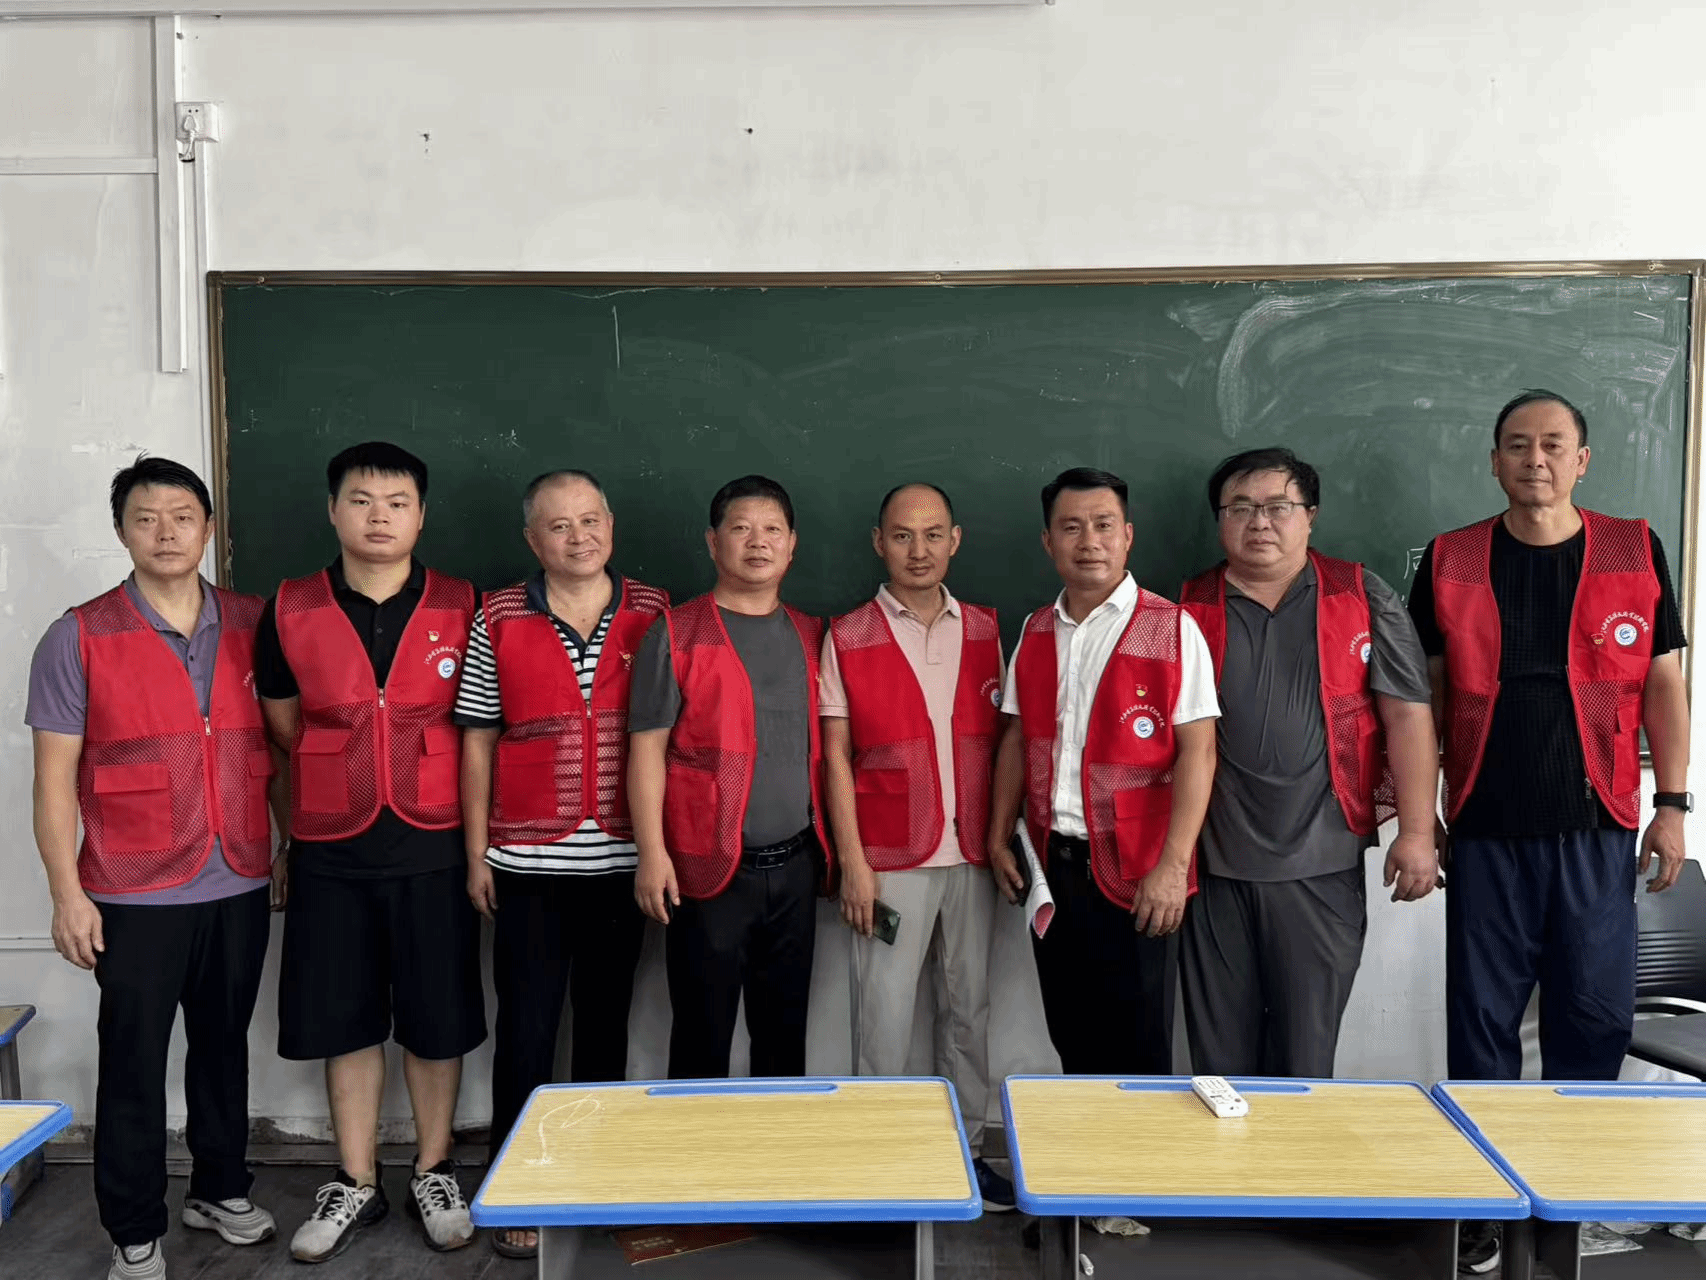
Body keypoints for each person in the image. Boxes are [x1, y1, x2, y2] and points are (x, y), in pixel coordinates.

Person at [1408, 390, 1690, 1276]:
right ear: (1494, 460)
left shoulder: (1633, 547)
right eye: (1518, 445)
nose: (1536, 459)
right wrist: (1421, 816)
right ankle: (1487, 1212)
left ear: (1582, 459)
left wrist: (1672, 804)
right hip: (1485, 827)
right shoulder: (1451, 557)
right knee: (1481, 1027)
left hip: (1596, 825)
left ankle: (1578, 1198)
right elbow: (1421, 698)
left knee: (1592, 1018)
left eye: (1554, 445)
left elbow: (1665, 683)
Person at [28, 456, 278, 1280]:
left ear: (208, 528)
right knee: (133, 1062)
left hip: (239, 875)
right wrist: (66, 894)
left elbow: (283, 743)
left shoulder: (253, 622)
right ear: (121, 531)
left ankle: (220, 1187)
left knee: (224, 1048)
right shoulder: (79, 635)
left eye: (182, 516)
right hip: (131, 889)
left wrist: (283, 846)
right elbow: (54, 781)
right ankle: (133, 1228)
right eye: (146, 518)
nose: (166, 533)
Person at [257, 442, 485, 1263]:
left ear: (422, 515)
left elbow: (482, 728)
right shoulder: (289, 607)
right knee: (343, 1016)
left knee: (435, 1016)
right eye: (361, 500)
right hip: (331, 846)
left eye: (397, 502)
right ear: (333, 510)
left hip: (436, 841)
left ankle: (433, 1168)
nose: (379, 516)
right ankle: (354, 1179)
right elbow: (281, 729)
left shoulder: (466, 604)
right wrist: (292, 835)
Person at [454, 469, 667, 1260]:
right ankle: (517, 1185)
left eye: (590, 521)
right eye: (558, 525)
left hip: (622, 861)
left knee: (606, 1030)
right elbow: (478, 738)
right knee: (527, 1032)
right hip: (528, 860)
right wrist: (477, 852)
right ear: (532, 540)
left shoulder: (656, 612)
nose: (578, 537)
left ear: (611, 526)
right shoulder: (498, 616)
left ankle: (599, 1177)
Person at [1177, 447, 1439, 1080]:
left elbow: (1408, 717)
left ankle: (1297, 1150)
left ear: (1310, 515)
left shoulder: (1361, 594)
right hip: (1213, 868)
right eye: (1241, 508)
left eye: (1278, 506)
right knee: (1219, 1061)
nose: (1260, 522)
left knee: (1305, 1056)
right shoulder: (1186, 606)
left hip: (1321, 863)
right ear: (1219, 519)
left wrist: (1418, 833)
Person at [820, 482, 1014, 1211]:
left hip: (973, 857)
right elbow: (835, 757)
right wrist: (853, 863)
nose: (919, 550)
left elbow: (1009, 742)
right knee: (884, 1016)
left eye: (933, 535)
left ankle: (966, 1154)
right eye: (902, 535)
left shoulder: (989, 629)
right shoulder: (848, 634)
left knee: (970, 1012)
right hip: (888, 861)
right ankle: (881, 1161)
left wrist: (1002, 838)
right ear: (879, 543)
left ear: (955, 541)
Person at [987, 467, 1220, 1075]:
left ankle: (1137, 1147)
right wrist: (998, 833)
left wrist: (1173, 868)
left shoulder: (1172, 627)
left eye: (1103, 525)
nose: (1088, 540)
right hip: (1054, 868)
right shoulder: (1037, 629)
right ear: (1048, 542)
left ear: (1128, 535)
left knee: (1138, 1051)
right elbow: (1016, 738)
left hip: (1140, 873)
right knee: (1073, 1037)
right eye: (1071, 527)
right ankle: (1076, 1144)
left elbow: (1199, 753)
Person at [627, 474, 832, 1079]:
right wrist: (652, 854)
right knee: (702, 1033)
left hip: (796, 867)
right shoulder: (676, 633)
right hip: (705, 868)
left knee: (783, 1034)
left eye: (772, 530)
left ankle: (773, 1142)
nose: (758, 542)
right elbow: (646, 752)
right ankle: (696, 1143)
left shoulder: (813, 635)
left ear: (792, 544)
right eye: (741, 528)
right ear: (713, 542)